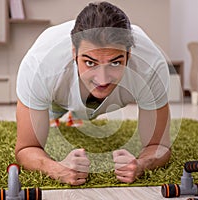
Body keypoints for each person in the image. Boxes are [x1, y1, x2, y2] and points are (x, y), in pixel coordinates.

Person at [15, 1, 171, 186]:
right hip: (58, 98)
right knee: (51, 113)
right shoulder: (40, 66)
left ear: (129, 54)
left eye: (115, 63)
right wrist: (57, 169)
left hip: (109, 92)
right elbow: (26, 147)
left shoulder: (151, 67)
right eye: (90, 62)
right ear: (74, 53)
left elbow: (159, 146)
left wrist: (141, 164)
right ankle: (60, 112)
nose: (103, 80)